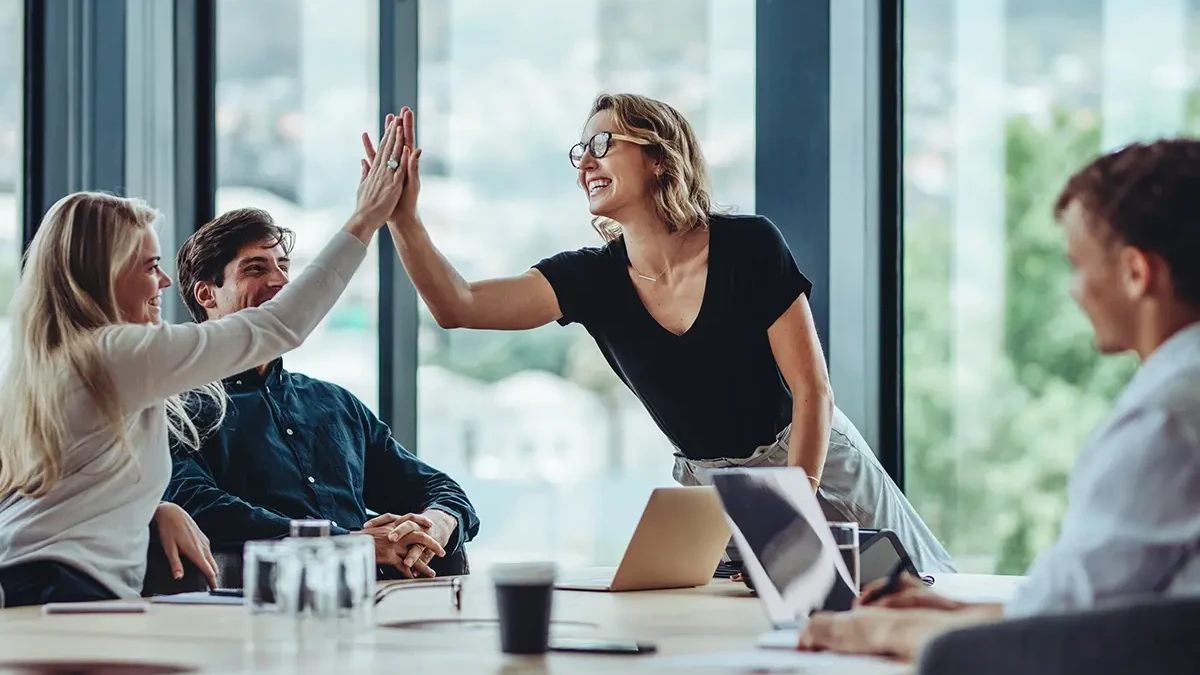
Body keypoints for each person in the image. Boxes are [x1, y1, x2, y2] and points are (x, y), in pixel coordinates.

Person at [363, 95, 956, 574]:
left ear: (658, 157)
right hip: (712, 490)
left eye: (603, 144)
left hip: (811, 458)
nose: (585, 162)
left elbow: (812, 391)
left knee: (921, 598)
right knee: (752, 636)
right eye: (580, 151)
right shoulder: (590, 278)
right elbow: (457, 305)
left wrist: (792, 506)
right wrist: (404, 219)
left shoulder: (749, 245)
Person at [797, 139, 1200, 661]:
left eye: (1078, 265)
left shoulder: (1168, 416)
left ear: (1135, 273)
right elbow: (1096, 607)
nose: (1074, 291)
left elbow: (1058, 633)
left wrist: (873, 632)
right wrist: (953, 612)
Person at [0, 115, 411, 607]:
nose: (164, 284)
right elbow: (279, 326)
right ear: (105, 274)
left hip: (35, 586)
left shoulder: (50, 363)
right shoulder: (113, 354)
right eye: (151, 267)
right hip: (63, 592)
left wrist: (155, 509)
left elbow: (67, 490)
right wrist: (363, 221)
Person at [165, 207, 480, 579]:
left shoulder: (335, 404)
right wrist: (345, 542)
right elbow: (196, 505)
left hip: (378, 605)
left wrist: (434, 525)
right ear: (207, 294)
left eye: (284, 266)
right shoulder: (177, 409)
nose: (281, 281)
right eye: (256, 268)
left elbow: (437, 487)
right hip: (261, 608)